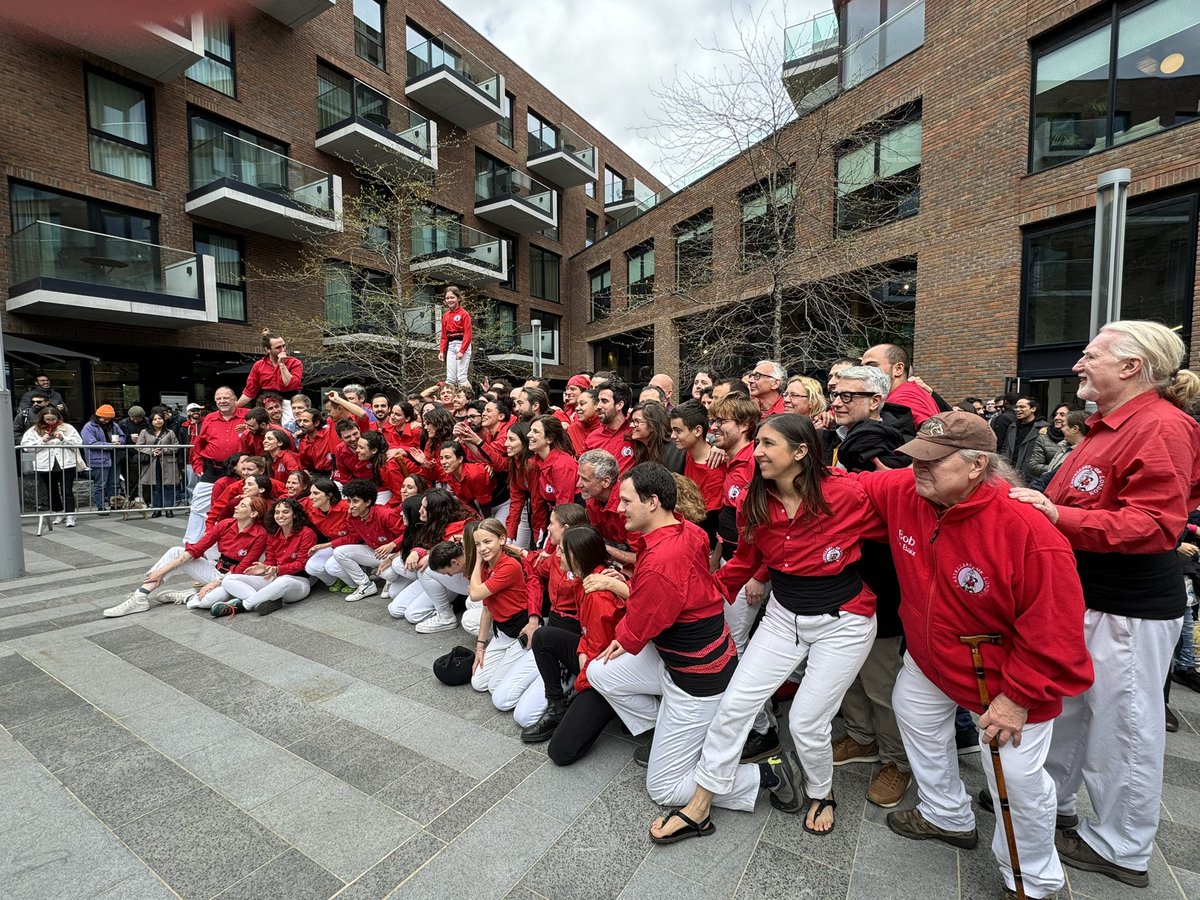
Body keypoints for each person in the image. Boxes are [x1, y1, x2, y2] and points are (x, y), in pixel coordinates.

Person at [858, 412, 1093, 900]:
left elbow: (1055, 629)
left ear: (976, 465)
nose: (917, 469)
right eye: (916, 458)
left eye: (932, 462)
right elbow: (856, 487)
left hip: (1003, 678)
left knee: (1017, 781)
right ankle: (946, 814)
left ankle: (1033, 880)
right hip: (931, 657)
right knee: (914, 713)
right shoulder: (911, 490)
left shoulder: (1025, 529)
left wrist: (1019, 698)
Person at [1010, 321, 1200, 889]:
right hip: (1087, 597)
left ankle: (1122, 846)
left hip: (1129, 608)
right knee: (1070, 713)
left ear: (1131, 366)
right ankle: (1055, 806)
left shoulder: (1162, 427)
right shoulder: (1109, 428)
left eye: (1091, 355)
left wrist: (1055, 515)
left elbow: (1155, 525)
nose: (1078, 365)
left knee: (1124, 728)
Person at [650, 415, 879, 842]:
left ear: (801, 451)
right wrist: (704, 594)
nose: (756, 452)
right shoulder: (755, 500)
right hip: (781, 616)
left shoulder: (847, 492)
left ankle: (821, 793)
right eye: (756, 442)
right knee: (733, 706)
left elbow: (911, 499)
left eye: (768, 444)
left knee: (808, 723)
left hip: (844, 620)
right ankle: (700, 805)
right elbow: (746, 561)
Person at [586, 463, 744, 819]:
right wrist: (626, 639)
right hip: (673, 661)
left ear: (653, 502)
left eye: (626, 501)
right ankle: (666, 726)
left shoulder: (660, 560)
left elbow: (642, 622)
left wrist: (625, 635)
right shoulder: (687, 529)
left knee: (664, 788)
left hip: (698, 678)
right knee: (600, 672)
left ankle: (763, 776)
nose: (620, 508)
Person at [521, 525, 626, 765]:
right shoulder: (587, 580)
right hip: (592, 657)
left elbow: (602, 657)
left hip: (606, 675)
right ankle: (557, 705)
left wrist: (581, 682)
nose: (555, 554)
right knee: (544, 636)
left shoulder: (597, 595)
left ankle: (611, 708)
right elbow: (589, 639)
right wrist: (581, 651)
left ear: (576, 557)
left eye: (560, 550)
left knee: (560, 752)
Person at [102, 495, 269, 617]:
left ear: (253, 514)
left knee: (205, 602)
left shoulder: (260, 534)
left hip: (234, 577)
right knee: (176, 551)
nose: (236, 507)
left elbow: (242, 568)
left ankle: (187, 595)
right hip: (216, 570)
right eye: (238, 504)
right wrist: (161, 572)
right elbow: (197, 549)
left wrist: (214, 584)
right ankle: (141, 596)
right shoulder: (225, 524)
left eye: (242, 506)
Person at [203, 498, 318, 617]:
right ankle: (263, 600)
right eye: (277, 512)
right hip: (274, 579)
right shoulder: (272, 534)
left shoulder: (307, 533)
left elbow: (301, 564)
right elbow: (270, 561)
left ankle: (241, 606)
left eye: (285, 512)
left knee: (283, 581)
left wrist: (277, 569)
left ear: (294, 515)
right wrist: (265, 568)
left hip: (298, 582)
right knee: (229, 579)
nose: (280, 515)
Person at [330, 479, 405, 603]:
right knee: (339, 552)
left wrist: (392, 544)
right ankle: (366, 585)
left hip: (397, 554)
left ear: (368, 502)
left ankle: (389, 579)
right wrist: (326, 545)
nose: (351, 506)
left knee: (388, 576)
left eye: (355, 501)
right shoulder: (352, 516)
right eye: (349, 501)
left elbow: (408, 535)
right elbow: (353, 538)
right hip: (375, 552)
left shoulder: (385, 514)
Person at [187, 387, 247, 541]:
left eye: (226, 398)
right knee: (198, 506)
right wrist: (198, 466)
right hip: (213, 469)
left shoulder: (247, 416)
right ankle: (192, 542)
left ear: (235, 399)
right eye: (219, 398)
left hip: (240, 471)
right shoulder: (209, 418)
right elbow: (198, 444)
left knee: (240, 506)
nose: (222, 401)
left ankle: (233, 543)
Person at [20, 405, 82, 527]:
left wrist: (63, 438)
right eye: (47, 419)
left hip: (66, 463)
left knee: (67, 490)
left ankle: (70, 515)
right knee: (51, 490)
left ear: (58, 417)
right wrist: (42, 441)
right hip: (44, 464)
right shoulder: (34, 430)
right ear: (42, 418)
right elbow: (26, 447)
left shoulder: (67, 428)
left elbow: (78, 442)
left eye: (53, 419)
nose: (50, 422)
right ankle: (58, 512)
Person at [861, 343, 939, 425]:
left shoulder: (903, 398)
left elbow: (931, 433)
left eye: (872, 366)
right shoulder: (910, 391)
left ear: (898, 369)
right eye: (862, 368)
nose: (864, 372)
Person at [529, 415, 578, 543]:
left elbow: (564, 508)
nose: (529, 435)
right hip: (554, 519)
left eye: (535, 432)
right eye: (530, 430)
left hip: (571, 524)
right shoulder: (538, 461)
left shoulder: (563, 464)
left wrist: (551, 545)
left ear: (549, 438)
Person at [301, 478, 353, 592]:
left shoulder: (347, 508)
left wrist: (324, 545)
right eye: (310, 493)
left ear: (329, 495)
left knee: (331, 566)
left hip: (354, 545)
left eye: (316, 493)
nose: (311, 497)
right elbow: (291, 505)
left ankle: (355, 583)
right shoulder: (311, 507)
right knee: (312, 567)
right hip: (333, 545)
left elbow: (355, 537)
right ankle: (336, 580)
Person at [238, 329, 302, 408]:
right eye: (278, 347)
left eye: (283, 346)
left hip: (290, 402)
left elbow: (291, 385)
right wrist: (234, 408)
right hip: (267, 403)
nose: (283, 350)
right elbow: (250, 391)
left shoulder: (295, 363)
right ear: (267, 349)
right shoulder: (258, 365)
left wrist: (282, 365)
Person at [81, 404, 126, 514]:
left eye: (108, 419)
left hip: (114, 458)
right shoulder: (89, 427)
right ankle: (101, 506)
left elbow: (123, 436)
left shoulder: (114, 425)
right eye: (103, 418)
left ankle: (114, 504)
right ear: (97, 417)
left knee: (114, 483)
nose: (105, 421)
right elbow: (90, 443)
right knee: (100, 484)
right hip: (99, 459)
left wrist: (120, 441)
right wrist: (110, 445)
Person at [136, 409, 181, 517]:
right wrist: (151, 451)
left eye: (160, 419)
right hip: (152, 462)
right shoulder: (144, 432)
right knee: (155, 486)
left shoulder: (170, 432)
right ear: (151, 421)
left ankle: (169, 509)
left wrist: (163, 450)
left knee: (168, 486)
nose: (158, 421)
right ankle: (157, 509)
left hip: (167, 462)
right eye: (155, 419)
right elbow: (139, 446)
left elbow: (176, 446)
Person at [586, 380, 636, 471]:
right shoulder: (592, 438)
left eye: (604, 401)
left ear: (620, 405)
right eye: (599, 401)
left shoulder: (635, 434)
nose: (598, 406)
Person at [1001, 396, 1051, 484]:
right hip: (1010, 475)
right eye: (1016, 407)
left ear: (1033, 409)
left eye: (1022, 407)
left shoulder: (1044, 428)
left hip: (1031, 478)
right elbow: (1006, 448)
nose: (1017, 409)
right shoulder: (1012, 427)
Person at [439, 285, 472, 386]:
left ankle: (468, 399)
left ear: (458, 298)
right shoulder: (445, 316)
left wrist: (462, 351)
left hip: (462, 345)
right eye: (447, 298)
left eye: (452, 297)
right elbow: (444, 336)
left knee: (461, 377)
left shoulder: (464, 314)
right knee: (450, 378)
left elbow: (468, 334)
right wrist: (441, 351)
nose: (450, 300)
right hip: (451, 346)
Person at [567, 388, 601, 455]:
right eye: (577, 405)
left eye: (582, 404)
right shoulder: (573, 429)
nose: (577, 408)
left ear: (597, 405)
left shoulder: (607, 429)